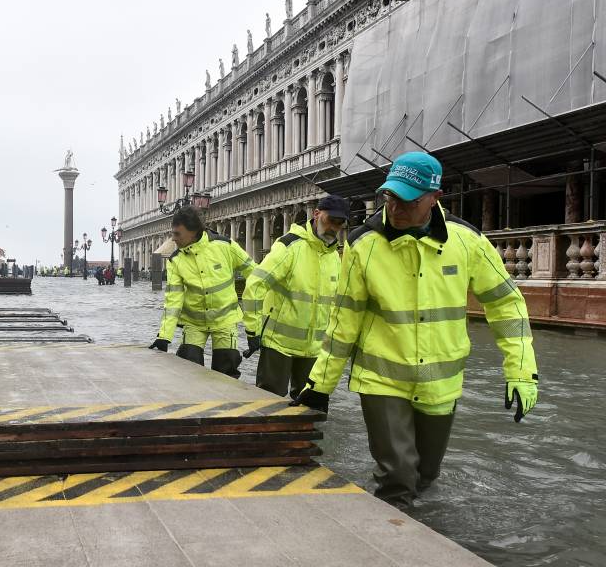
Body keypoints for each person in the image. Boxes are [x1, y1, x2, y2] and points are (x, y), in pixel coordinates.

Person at [292, 152, 539, 508]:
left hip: (441, 383)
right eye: (390, 197)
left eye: (408, 200)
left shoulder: (467, 241)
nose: (395, 208)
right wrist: (320, 384)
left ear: (435, 198)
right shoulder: (363, 245)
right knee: (398, 476)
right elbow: (344, 320)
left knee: (426, 474)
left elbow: (506, 304)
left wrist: (521, 370)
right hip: (381, 381)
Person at [242, 195, 347, 397]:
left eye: (340, 223)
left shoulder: (334, 255)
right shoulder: (289, 246)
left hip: (315, 349)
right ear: (316, 214)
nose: (334, 227)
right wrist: (252, 331)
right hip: (278, 345)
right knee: (269, 406)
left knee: (310, 411)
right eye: (330, 220)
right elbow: (255, 286)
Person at [150, 206, 255, 378]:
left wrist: (254, 326)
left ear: (194, 232)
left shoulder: (225, 246)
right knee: (189, 367)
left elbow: (255, 275)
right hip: (194, 323)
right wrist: (164, 335)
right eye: (173, 233)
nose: (173, 239)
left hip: (225, 322)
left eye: (178, 234)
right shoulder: (175, 260)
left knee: (226, 371)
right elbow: (173, 301)